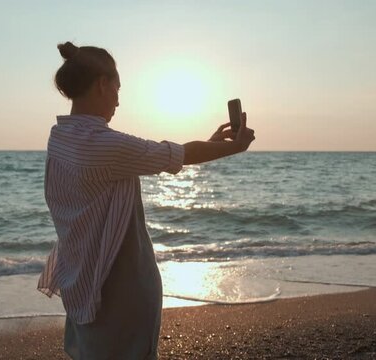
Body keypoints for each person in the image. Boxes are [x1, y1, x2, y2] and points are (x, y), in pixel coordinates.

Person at [37, 41, 255, 360]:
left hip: (81, 279)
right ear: (102, 84)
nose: (118, 101)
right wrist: (233, 147)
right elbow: (177, 153)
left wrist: (208, 144)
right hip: (120, 289)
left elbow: (172, 155)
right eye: (117, 88)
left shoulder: (59, 139)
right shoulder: (104, 145)